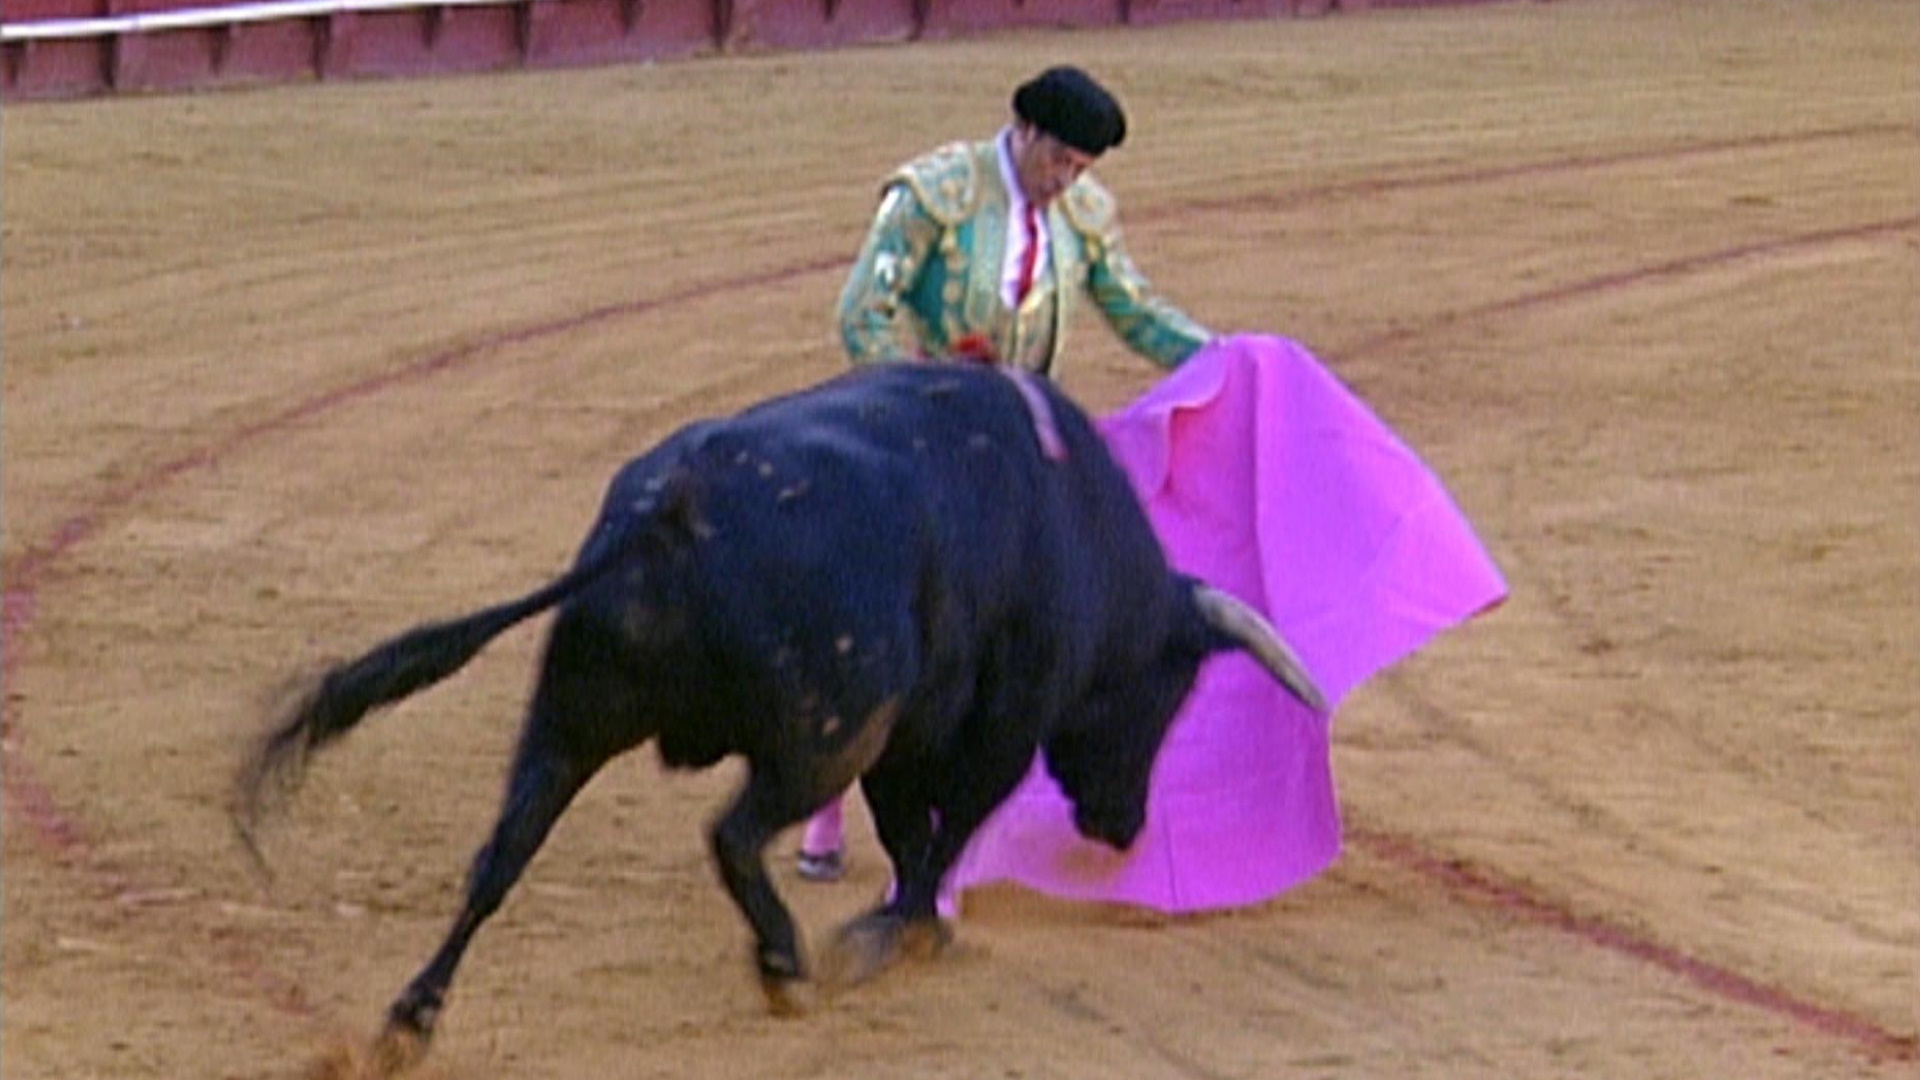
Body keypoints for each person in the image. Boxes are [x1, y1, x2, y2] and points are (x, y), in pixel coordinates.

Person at [798, 64, 1214, 884]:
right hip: (913, 434)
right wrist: (926, 395)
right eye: (1058, 159)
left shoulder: (1083, 218)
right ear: (1022, 130)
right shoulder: (933, 196)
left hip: (1013, 452)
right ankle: (825, 806)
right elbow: (863, 313)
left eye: (1081, 169)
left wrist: (1224, 358)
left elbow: (1134, 311)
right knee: (884, 619)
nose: (1066, 181)